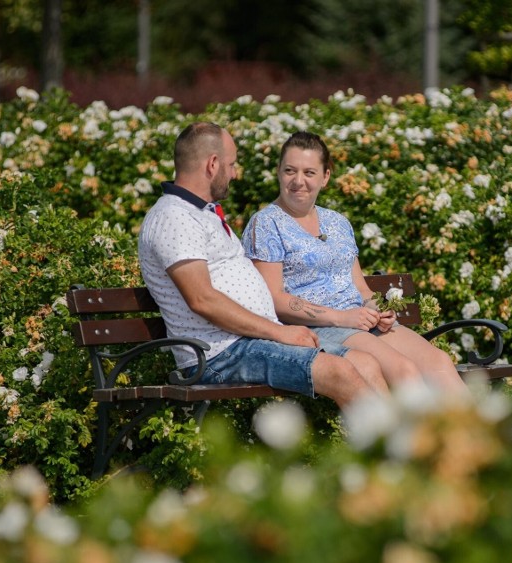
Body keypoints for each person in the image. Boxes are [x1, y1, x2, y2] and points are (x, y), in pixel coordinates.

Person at [138, 122, 388, 408]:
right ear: (212, 164)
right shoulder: (174, 216)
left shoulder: (202, 213)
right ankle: (386, 450)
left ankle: (395, 451)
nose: (234, 173)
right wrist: (280, 331)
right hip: (220, 353)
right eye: (231, 164)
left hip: (251, 342)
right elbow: (202, 299)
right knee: (339, 371)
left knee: (365, 364)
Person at [242, 131, 468, 394]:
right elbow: (274, 299)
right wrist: (342, 317)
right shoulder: (267, 223)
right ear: (279, 172)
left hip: (359, 322)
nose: (298, 181)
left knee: (438, 363)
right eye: (290, 170)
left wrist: (379, 310)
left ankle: (479, 436)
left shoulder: (338, 222)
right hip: (319, 329)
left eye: (309, 172)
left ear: (325, 177)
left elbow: (361, 290)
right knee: (403, 370)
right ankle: (430, 437)